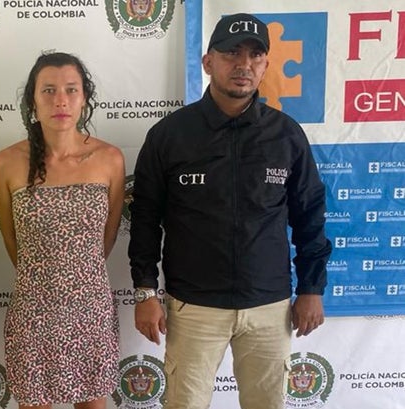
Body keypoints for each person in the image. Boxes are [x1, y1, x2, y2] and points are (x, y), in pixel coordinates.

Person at [128, 13, 332, 409]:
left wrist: (311, 287)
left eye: (255, 55)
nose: (244, 64)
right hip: (193, 306)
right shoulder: (170, 135)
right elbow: (145, 219)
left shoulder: (286, 135)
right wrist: (145, 291)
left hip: (269, 306)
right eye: (231, 53)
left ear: (266, 66)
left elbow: (310, 215)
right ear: (208, 62)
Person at [0, 52, 125, 409]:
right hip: (33, 312)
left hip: (90, 311)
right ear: (33, 101)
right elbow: (11, 239)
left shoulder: (110, 159)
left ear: (84, 98)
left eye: (71, 89)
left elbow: (108, 236)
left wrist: (75, 278)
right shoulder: (7, 162)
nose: (60, 100)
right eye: (48, 90)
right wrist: (47, 279)